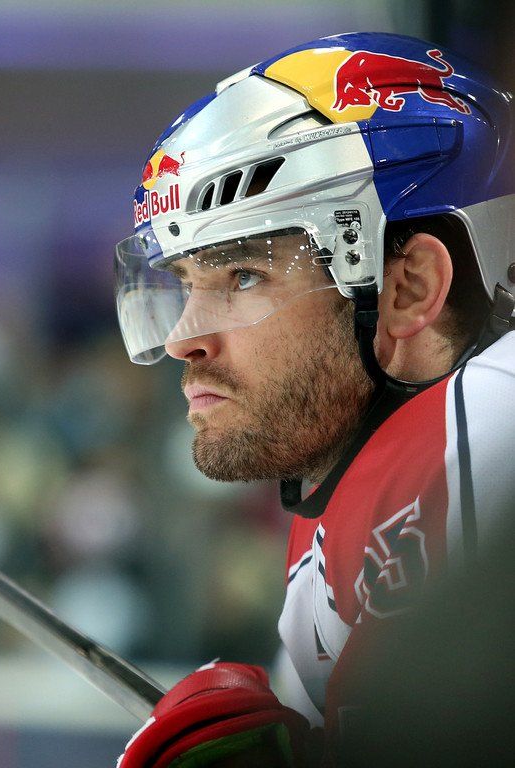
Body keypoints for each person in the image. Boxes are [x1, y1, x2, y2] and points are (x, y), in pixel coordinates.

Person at [112, 32, 515, 767]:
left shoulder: (495, 420)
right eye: (186, 283)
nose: (181, 339)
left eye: (241, 276)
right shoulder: (336, 496)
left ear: (409, 288)